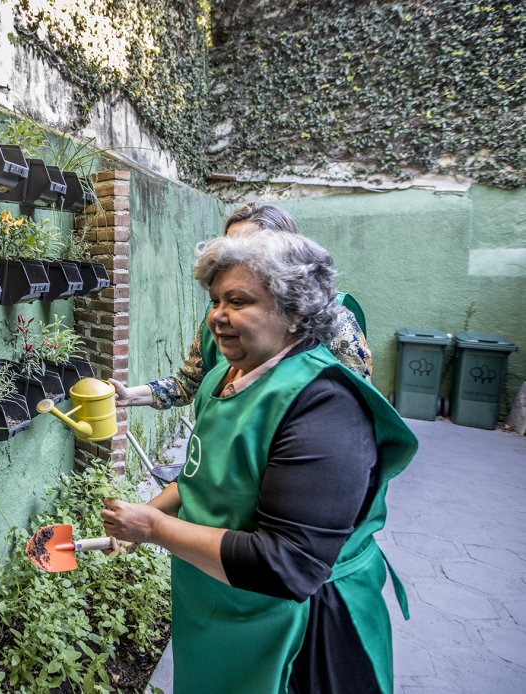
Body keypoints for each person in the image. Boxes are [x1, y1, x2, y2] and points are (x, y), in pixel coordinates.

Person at [101, 231, 417, 694]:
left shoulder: (324, 407)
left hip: (301, 632)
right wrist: (151, 511)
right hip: (222, 607)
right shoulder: (222, 378)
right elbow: (199, 476)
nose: (218, 317)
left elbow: (288, 564)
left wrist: (153, 529)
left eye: (239, 301)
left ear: (295, 313)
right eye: (214, 301)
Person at [111, 202, 372, 410]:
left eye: (250, 246)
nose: (234, 258)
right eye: (228, 245)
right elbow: (187, 383)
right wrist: (130, 396)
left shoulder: (332, 318)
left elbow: (356, 406)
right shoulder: (218, 318)